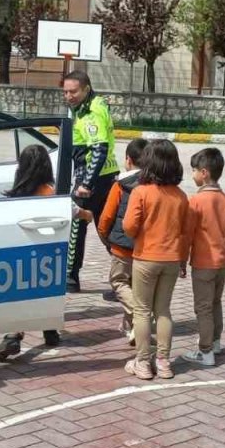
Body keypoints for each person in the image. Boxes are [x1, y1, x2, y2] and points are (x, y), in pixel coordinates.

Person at [0, 145, 90, 362]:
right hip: (47, 255)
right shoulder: (48, 193)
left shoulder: (14, 195)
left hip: (20, 254)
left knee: (21, 295)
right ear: (46, 168)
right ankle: (49, 329)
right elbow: (73, 211)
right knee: (49, 292)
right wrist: (89, 214)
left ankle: (14, 334)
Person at [123, 140, 189, 381]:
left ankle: (142, 362)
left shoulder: (141, 192)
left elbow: (129, 227)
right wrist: (183, 260)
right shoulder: (181, 196)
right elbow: (185, 232)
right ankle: (163, 362)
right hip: (171, 259)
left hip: (145, 257)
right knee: (163, 310)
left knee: (141, 311)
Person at [62, 70, 119, 293]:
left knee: (77, 222)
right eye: (65, 91)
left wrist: (86, 183)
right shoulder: (95, 104)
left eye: (73, 91)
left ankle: (70, 278)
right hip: (107, 175)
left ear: (86, 88)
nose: (68, 96)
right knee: (107, 227)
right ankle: (125, 277)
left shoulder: (91, 111)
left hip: (93, 177)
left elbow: (99, 148)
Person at [178, 148, 225, 367]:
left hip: (203, 261)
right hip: (223, 260)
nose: (192, 175)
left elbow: (187, 235)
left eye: (194, 171)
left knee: (202, 308)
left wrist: (182, 259)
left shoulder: (196, 201)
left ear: (204, 172)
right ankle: (216, 341)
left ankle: (205, 351)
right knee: (215, 302)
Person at [97, 138, 149, 341]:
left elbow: (106, 218)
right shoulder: (152, 186)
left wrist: (106, 238)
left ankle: (138, 318)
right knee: (135, 287)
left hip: (121, 248)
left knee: (118, 282)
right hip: (145, 249)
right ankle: (130, 327)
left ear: (128, 160)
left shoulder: (120, 185)